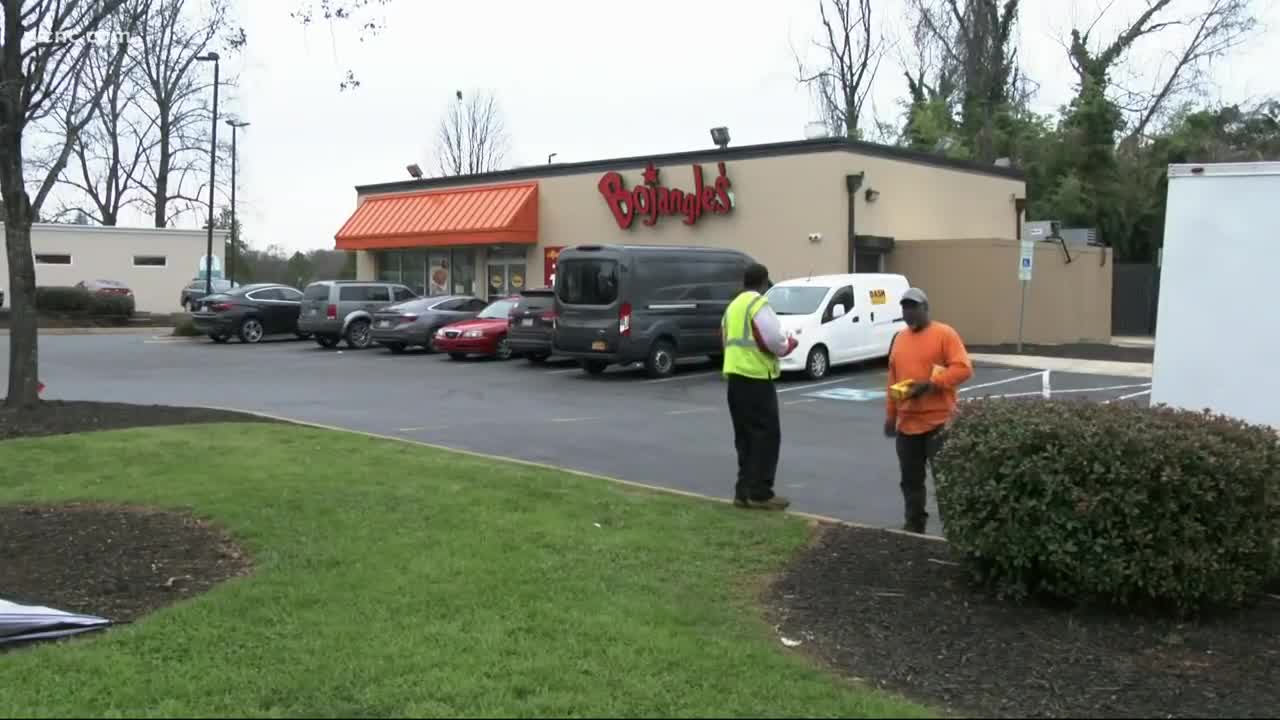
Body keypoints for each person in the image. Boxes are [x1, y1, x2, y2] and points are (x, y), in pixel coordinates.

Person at [883, 287, 972, 533]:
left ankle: (953, 529)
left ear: (925, 309)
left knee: (945, 481)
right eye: (904, 308)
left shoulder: (945, 334)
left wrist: (932, 385)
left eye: (913, 307)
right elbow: (892, 381)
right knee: (910, 481)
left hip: (939, 423)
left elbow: (963, 368)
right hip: (907, 426)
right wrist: (891, 415)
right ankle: (914, 526)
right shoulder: (899, 339)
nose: (908, 312)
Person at [722, 262, 798, 510]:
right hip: (756, 378)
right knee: (766, 436)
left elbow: (723, 338)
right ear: (764, 282)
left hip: (734, 378)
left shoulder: (732, 307)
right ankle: (761, 492)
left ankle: (743, 491)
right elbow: (774, 339)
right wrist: (789, 345)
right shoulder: (758, 304)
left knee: (744, 437)